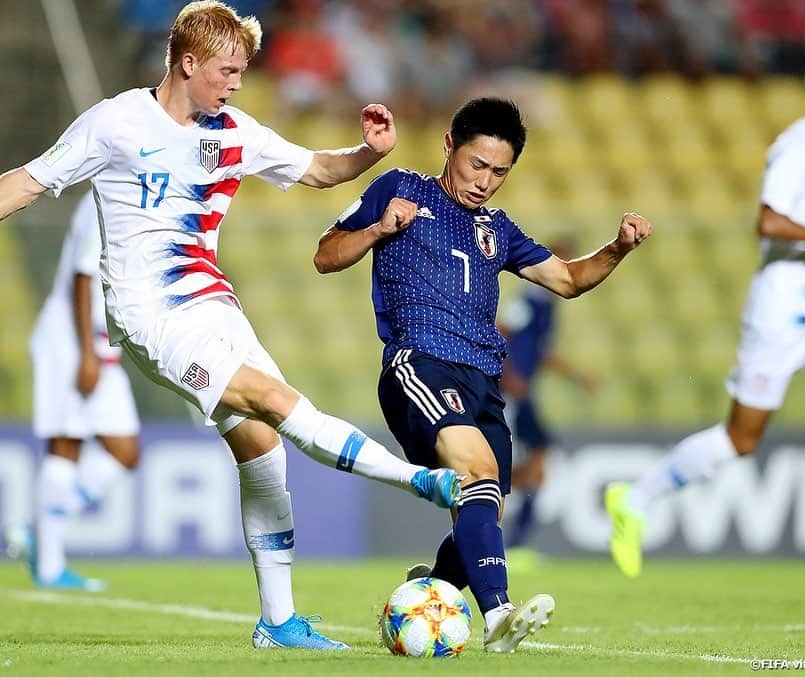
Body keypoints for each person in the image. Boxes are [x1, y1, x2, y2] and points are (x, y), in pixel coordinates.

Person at [0, 1, 461, 651]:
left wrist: (368, 151)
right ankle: (417, 480)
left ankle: (277, 621)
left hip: (215, 306)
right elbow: (28, 181)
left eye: (242, 71)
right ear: (188, 63)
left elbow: (316, 169)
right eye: (227, 70)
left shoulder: (234, 132)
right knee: (274, 401)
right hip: (150, 318)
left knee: (262, 448)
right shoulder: (114, 123)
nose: (237, 83)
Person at [314, 97, 653, 652]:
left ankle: (427, 596)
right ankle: (499, 616)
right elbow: (325, 255)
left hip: (483, 383)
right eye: (477, 165)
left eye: (500, 172)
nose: (485, 182)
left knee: (483, 503)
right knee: (476, 471)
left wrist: (617, 248)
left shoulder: (497, 227)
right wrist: (378, 228)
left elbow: (567, 280)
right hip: (418, 363)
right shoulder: (401, 188)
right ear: (449, 145)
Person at [605, 46, 805, 596]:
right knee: (740, 440)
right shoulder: (794, 148)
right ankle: (634, 499)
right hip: (780, 313)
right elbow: (767, 220)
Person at [7, 191, 141, 592]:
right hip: (71, 342)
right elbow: (82, 277)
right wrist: (85, 353)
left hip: (100, 343)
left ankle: (36, 532)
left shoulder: (138, 196)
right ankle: (48, 566)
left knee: (125, 452)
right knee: (66, 444)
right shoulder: (104, 196)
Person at [497, 241, 598, 557]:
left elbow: (540, 353)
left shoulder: (547, 307)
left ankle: (516, 543)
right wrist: (510, 375)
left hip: (524, 396)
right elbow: (502, 330)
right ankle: (505, 541)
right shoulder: (530, 298)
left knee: (536, 464)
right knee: (515, 466)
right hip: (511, 395)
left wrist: (577, 378)